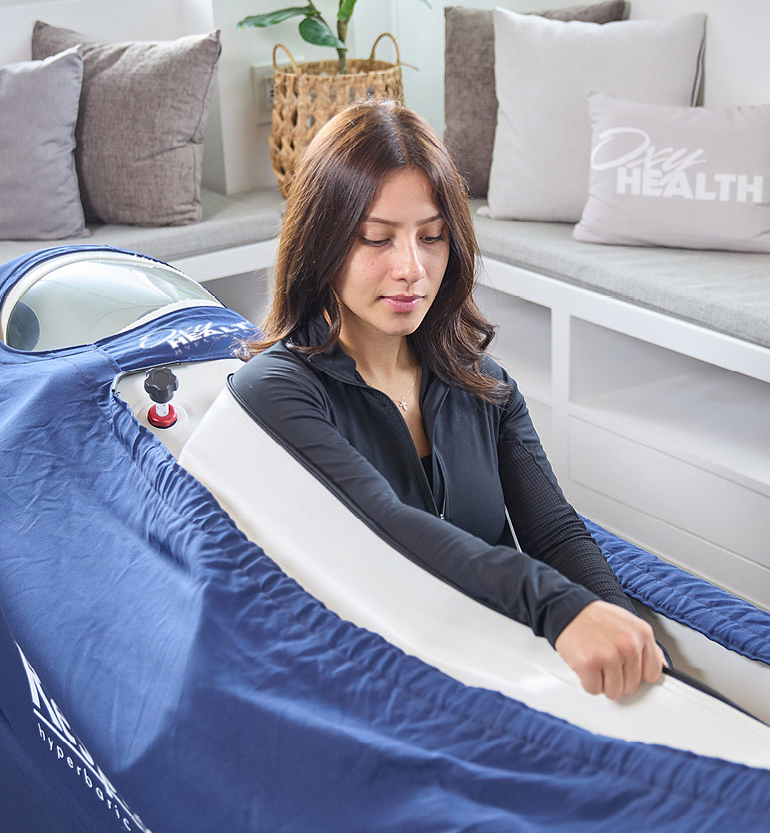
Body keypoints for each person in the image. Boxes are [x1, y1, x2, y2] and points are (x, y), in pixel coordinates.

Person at [231, 100, 665, 700]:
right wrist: (556, 606)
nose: (411, 268)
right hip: (375, 684)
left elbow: (556, 534)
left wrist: (634, 644)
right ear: (322, 243)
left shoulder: (483, 385)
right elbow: (388, 527)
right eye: (377, 239)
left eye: (431, 237)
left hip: (502, 667)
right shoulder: (274, 393)